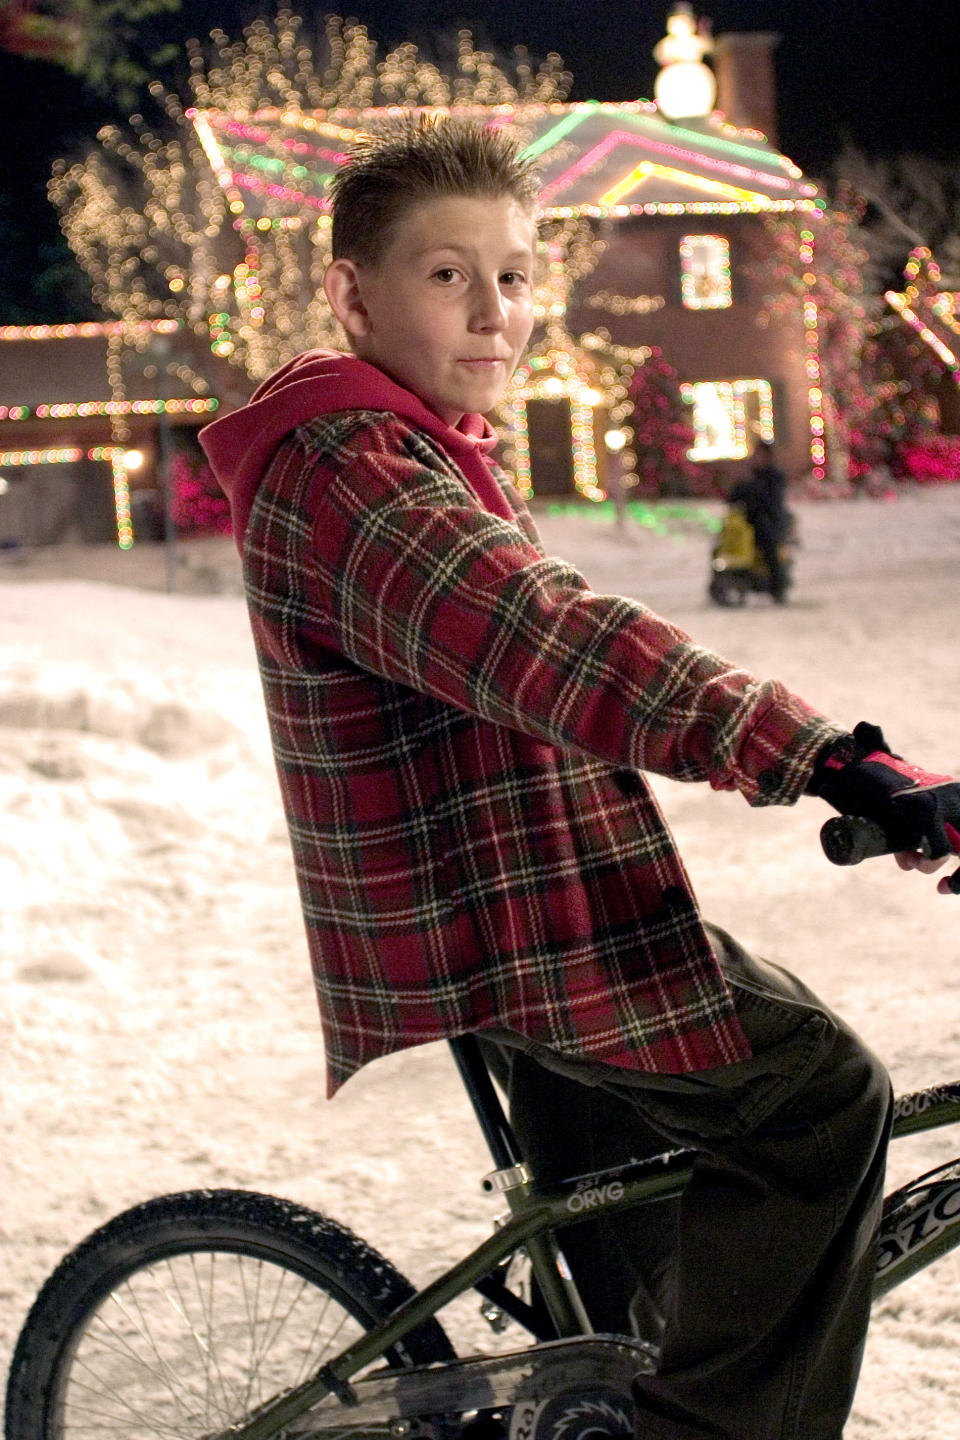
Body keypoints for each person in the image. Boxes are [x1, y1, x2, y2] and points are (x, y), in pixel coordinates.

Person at [199, 117, 960, 1440]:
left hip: (526, 900)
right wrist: (826, 755)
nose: (494, 310)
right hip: (514, 924)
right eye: (447, 275)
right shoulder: (356, 478)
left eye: (514, 272)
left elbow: (543, 642)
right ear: (351, 291)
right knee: (818, 1098)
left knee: (644, 1291)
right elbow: (556, 640)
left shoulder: (420, 442)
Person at [730, 438, 791, 602]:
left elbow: (770, 501)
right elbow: (734, 498)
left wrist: (751, 485)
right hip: (749, 521)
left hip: (769, 520)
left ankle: (777, 584)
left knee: (768, 544)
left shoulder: (774, 476)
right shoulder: (751, 474)